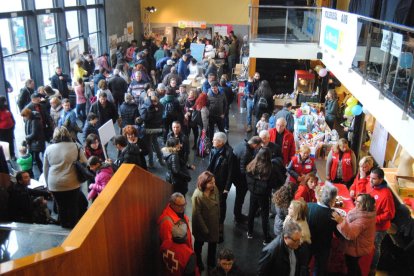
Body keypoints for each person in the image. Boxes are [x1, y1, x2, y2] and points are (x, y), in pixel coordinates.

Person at [43, 127, 87, 228]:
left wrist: (47, 185)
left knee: (61, 206)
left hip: (54, 184)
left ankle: (64, 226)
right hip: (72, 182)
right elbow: (85, 162)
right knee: (73, 205)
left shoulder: (49, 149)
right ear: (68, 134)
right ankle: (74, 227)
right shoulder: (76, 146)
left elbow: (45, 169)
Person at [332, 193, 377, 276]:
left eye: (358, 202)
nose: (355, 202)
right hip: (358, 243)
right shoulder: (365, 212)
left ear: (365, 205)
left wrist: (340, 221)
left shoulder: (364, 220)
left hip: (357, 247)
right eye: (356, 200)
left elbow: (350, 235)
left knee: (352, 265)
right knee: (353, 264)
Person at [307, 184, 340, 276]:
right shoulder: (334, 214)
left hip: (307, 242)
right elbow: (338, 235)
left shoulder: (308, 206)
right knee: (319, 268)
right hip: (323, 246)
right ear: (333, 200)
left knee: (304, 264)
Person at [368, 167, 396, 275]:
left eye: (373, 179)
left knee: (375, 246)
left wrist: (374, 219)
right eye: (370, 177)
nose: (370, 180)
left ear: (381, 180)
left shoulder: (386, 195)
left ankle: (372, 269)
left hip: (379, 227)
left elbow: (390, 214)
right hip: (371, 223)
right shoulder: (374, 186)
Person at [192, 171, 220, 271]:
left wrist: (219, 220)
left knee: (213, 244)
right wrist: (205, 229)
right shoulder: (197, 195)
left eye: (214, 181)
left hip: (213, 223)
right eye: (211, 183)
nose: (214, 184)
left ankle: (211, 263)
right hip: (201, 225)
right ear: (204, 183)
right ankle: (197, 260)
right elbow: (197, 215)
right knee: (199, 244)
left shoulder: (215, 189)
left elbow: (218, 205)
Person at [246, 148, 273, 244]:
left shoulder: (252, 164)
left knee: (251, 212)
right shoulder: (269, 167)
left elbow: (248, 177)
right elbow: (271, 183)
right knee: (264, 215)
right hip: (264, 195)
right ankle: (266, 238)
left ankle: (249, 232)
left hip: (253, 193)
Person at [232, 136, 262, 224]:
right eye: (258, 146)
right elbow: (243, 170)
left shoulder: (242, 143)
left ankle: (237, 215)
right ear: (254, 144)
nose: (258, 148)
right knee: (240, 199)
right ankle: (237, 217)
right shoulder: (247, 152)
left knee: (239, 198)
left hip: (236, 177)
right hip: (241, 180)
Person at [207, 132, 233, 227]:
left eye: (214, 139)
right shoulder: (213, 149)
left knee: (221, 204)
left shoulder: (229, 153)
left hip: (221, 184)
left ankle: (220, 222)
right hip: (211, 182)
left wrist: (227, 187)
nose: (212, 140)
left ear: (221, 142)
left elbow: (231, 172)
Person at [284, 200, 312, 276]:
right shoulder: (290, 217)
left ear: (296, 212)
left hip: (299, 253)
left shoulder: (301, 231)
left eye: (290, 208)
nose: (288, 208)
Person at [140, 95, 165, 168]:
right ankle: (160, 160)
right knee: (155, 143)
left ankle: (151, 162)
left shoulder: (150, 108)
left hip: (149, 129)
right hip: (157, 127)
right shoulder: (161, 106)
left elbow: (145, 118)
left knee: (149, 146)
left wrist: (150, 110)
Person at [21, 108, 45, 175]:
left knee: (36, 158)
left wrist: (27, 137)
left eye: (25, 116)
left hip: (36, 142)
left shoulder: (35, 120)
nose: (24, 118)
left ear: (28, 115)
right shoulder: (30, 119)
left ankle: (41, 172)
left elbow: (34, 133)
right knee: (34, 157)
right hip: (33, 142)